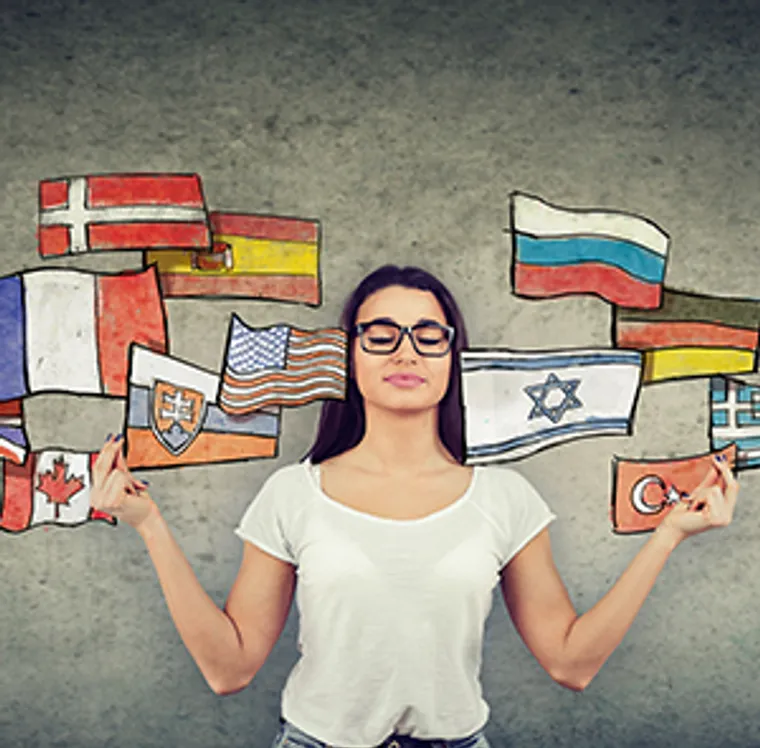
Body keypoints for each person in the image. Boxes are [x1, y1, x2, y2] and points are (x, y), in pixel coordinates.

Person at [91, 264, 739, 748]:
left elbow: (571, 662)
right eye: (381, 334)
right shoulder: (293, 493)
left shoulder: (505, 498)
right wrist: (149, 524)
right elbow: (228, 669)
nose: (406, 349)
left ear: (452, 358)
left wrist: (668, 536)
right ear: (350, 355)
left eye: (429, 335)